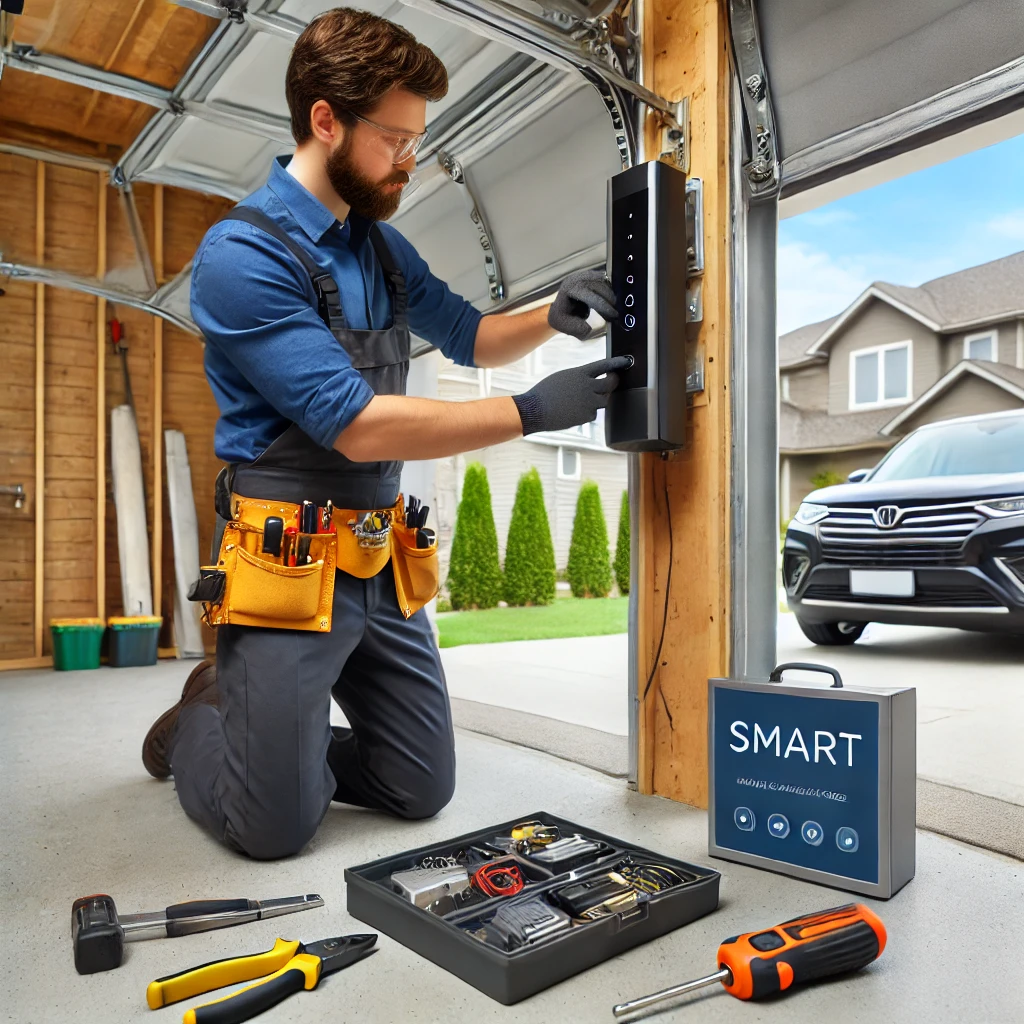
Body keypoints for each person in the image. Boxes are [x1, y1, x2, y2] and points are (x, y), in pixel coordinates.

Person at [141, 7, 626, 859]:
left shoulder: (384, 250)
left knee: (419, 787)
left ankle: (274, 753)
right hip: (284, 554)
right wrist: (531, 411)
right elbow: (359, 428)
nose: (411, 160)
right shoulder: (243, 256)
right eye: (394, 139)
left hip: (375, 550)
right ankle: (199, 725)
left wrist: (552, 315)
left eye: (416, 139)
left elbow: (472, 334)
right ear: (325, 119)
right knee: (273, 832)